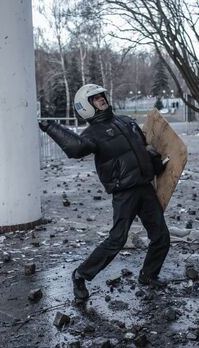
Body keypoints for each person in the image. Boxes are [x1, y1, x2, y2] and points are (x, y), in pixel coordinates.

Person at [39, 84, 170, 300]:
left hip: (145, 187)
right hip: (124, 193)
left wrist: (155, 163)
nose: (101, 99)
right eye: (95, 98)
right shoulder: (92, 134)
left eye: (101, 95)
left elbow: (143, 148)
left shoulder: (126, 121)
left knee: (161, 236)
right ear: (85, 106)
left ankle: (148, 275)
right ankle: (80, 275)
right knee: (117, 240)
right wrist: (51, 128)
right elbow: (76, 149)